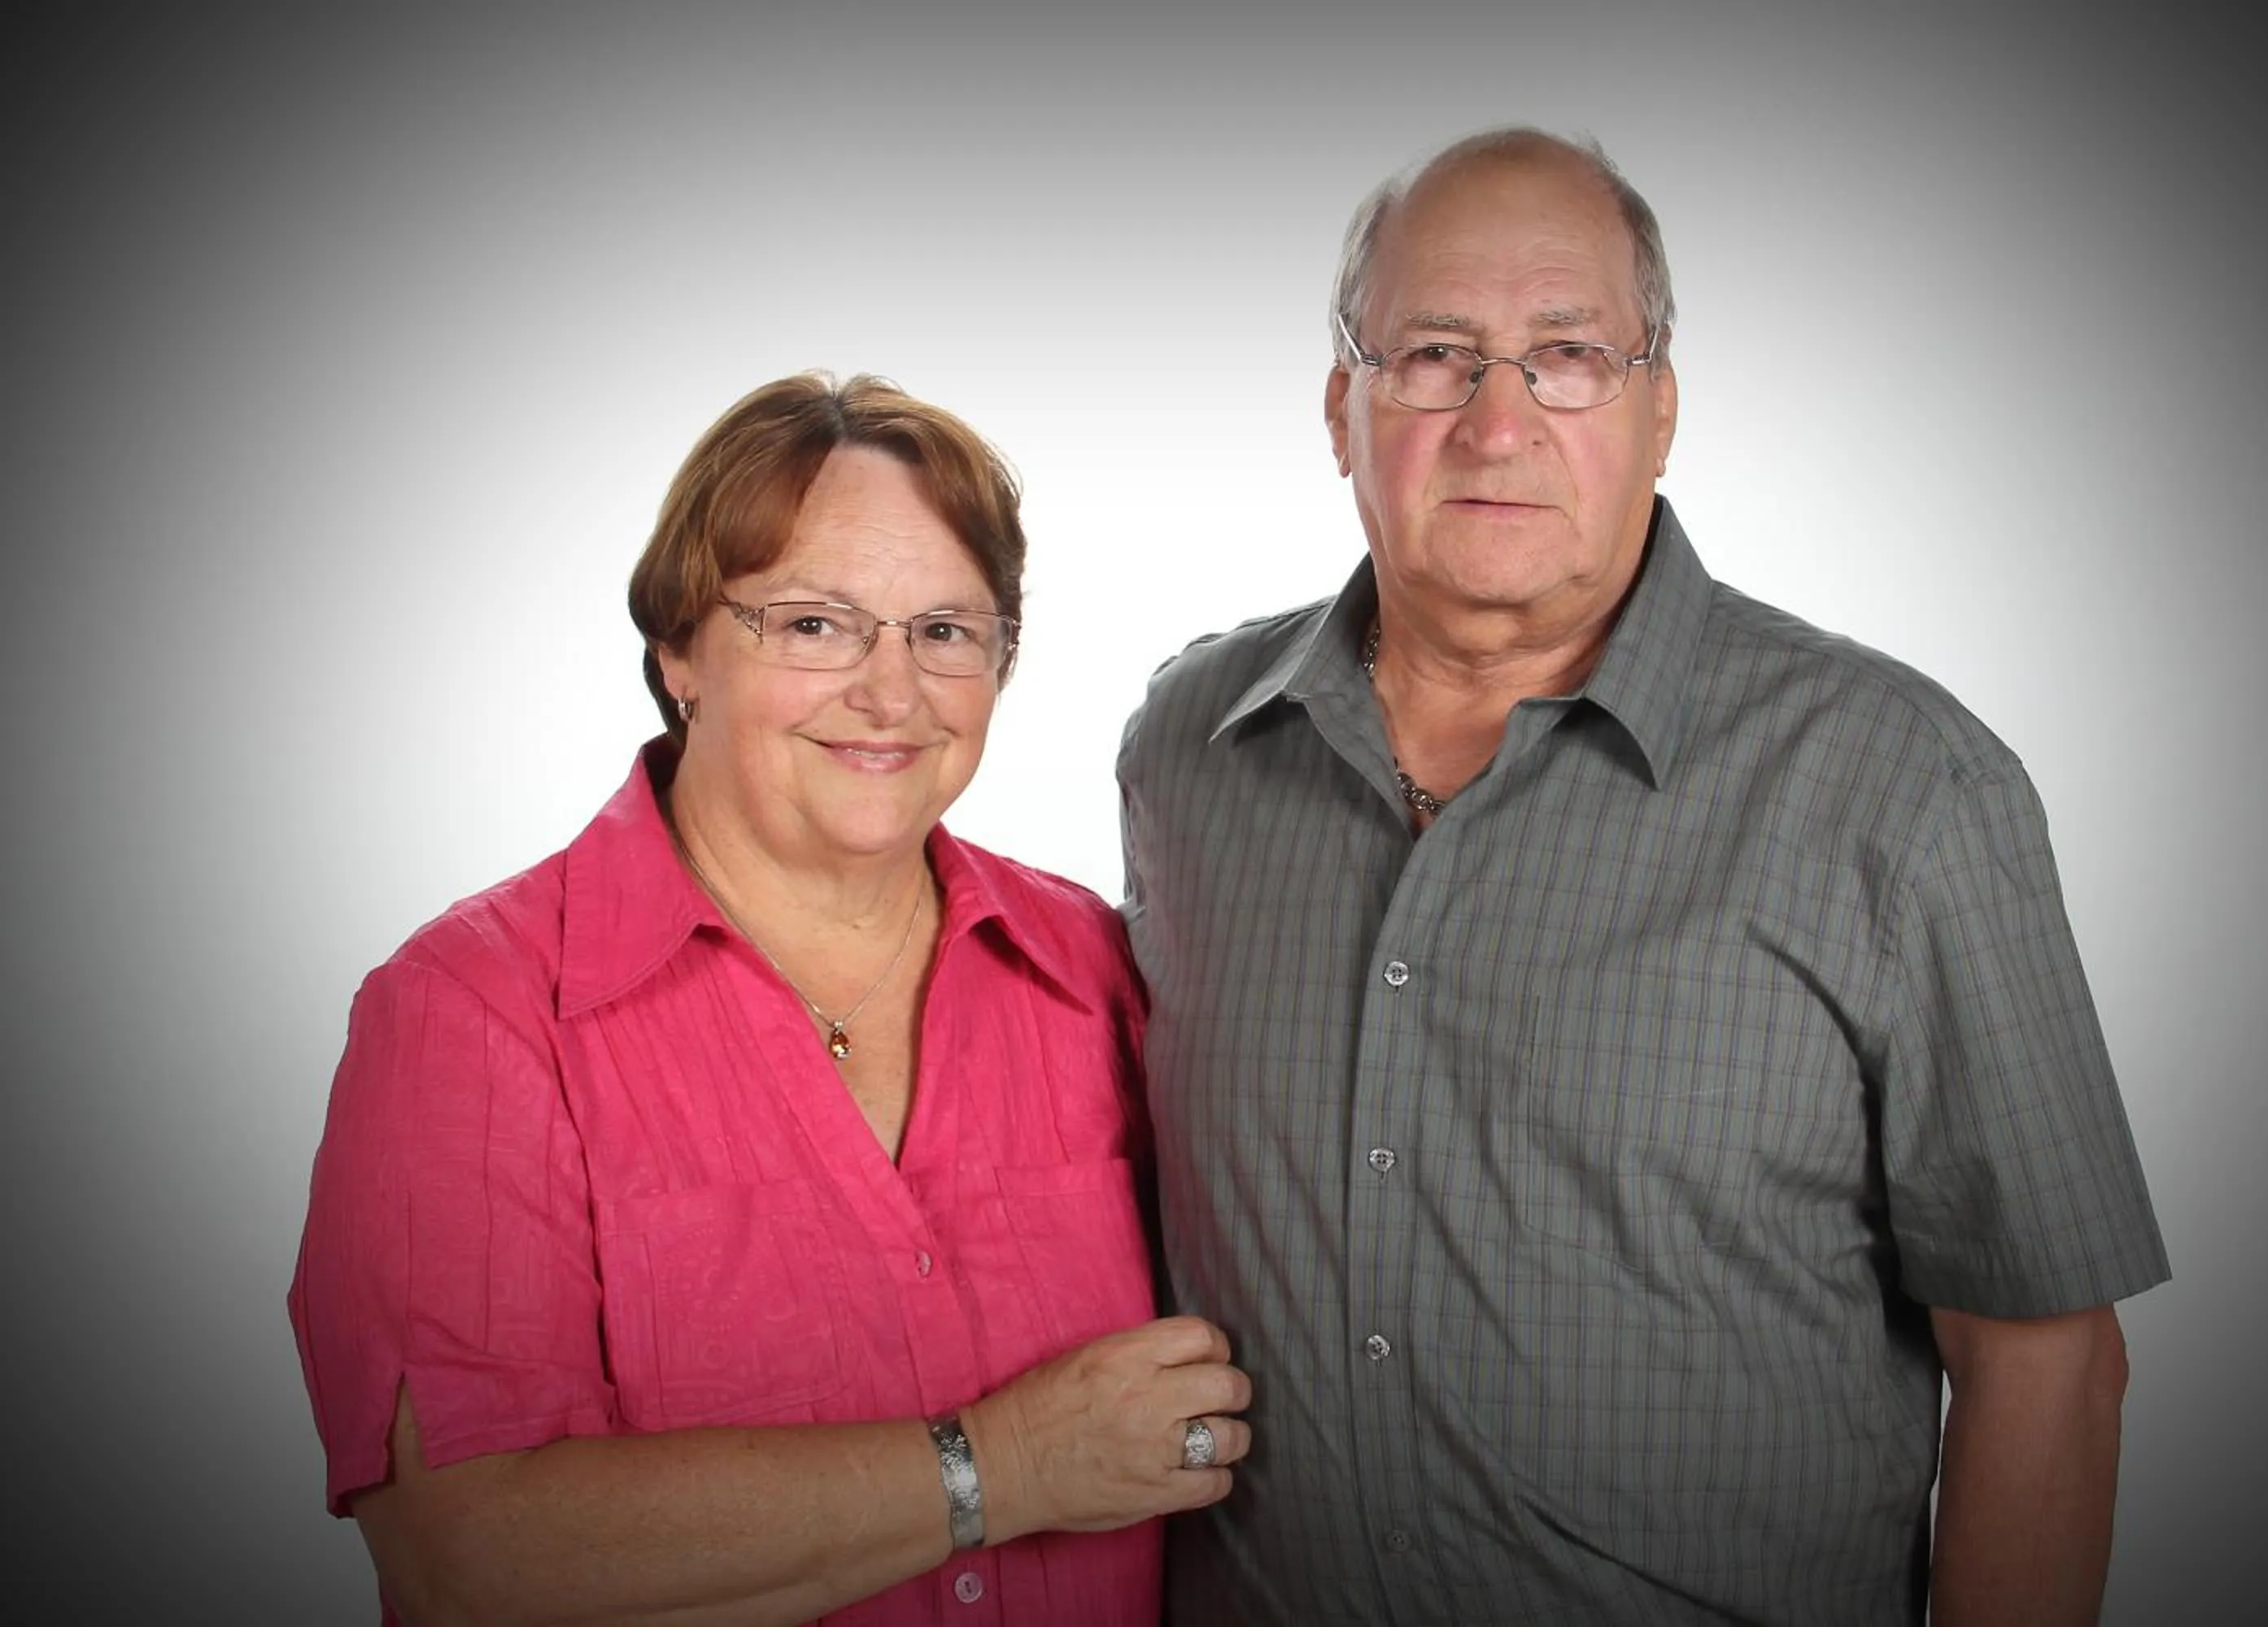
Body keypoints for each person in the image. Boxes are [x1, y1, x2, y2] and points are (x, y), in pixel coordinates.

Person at [1117, 127, 2170, 1626]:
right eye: (1432, 354)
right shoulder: (1191, 751)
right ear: (1341, 406)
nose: (1497, 422)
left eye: (1567, 354)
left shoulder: (1907, 789)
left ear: (1660, 409)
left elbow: (2046, 1371)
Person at [290, 371, 1250, 1627]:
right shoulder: (472, 1012)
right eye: (814, 624)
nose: (892, 694)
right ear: (678, 647)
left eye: (946, 632)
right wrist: (1003, 1466)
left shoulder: (1088, 966)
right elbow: (471, 1558)